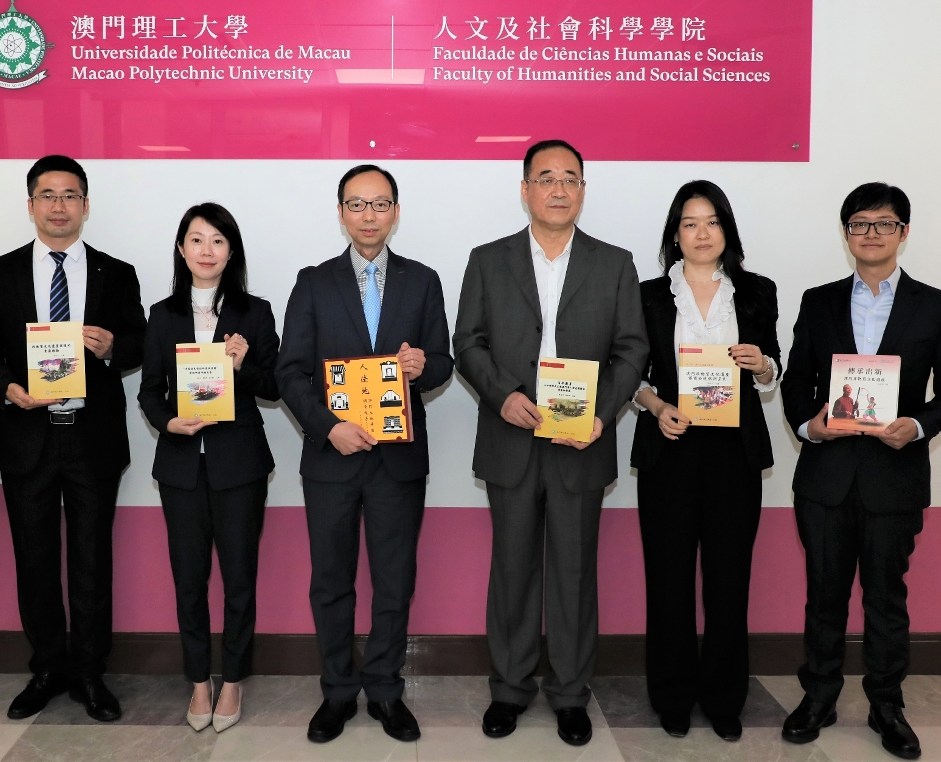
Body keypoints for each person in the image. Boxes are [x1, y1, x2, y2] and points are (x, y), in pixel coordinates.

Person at [452, 139, 648, 747]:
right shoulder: (488, 259)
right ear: (525, 190)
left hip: (580, 440)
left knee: (574, 572)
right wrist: (502, 395)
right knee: (511, 569)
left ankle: (569, 694)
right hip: (511, 434)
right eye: (546, 178)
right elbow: (468, 341)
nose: (558, 189)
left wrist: (603, 414)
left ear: (582, 190)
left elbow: (632, 349)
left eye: (570, 178)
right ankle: (509, 689)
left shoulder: (614, 263)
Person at [780, 183, 941, 760]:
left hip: (895, 477)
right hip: (826, 477)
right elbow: (796, 382)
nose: (871, 233)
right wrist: (811, 426)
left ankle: (887, 705)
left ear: (903, 233)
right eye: (859, 223)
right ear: (846, 234)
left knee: (886, 599)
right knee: (823, 595)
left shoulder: (936, 305)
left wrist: (917, 425)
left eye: (884, 223)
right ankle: (818, 696)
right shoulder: (818, 301)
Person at [275, 164, 453, 744]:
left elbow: (444, 363)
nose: (369, 215)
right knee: (331, 581)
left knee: (394, 582)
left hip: (397, 460)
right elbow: (289, 372)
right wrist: (329, 427)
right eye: (357, 204)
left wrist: (423, 366)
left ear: (396, 212)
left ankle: (384, 690)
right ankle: (336, 691)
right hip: (332, 458)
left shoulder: (422, 280)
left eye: (380, 204)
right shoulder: (313, 282)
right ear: (341, 212)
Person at [0, 155, 146, 722]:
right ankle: (47, 666)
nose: (59, 206)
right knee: (34, 559)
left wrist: (112, 348)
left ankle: (90, 671)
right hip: (28, 436)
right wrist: (8, 389)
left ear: (86, 205)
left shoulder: (117, 272)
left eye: (70, 195)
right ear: (31, 205)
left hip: (92, 437)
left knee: (92, 560)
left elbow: (141, 342)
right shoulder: (0, 272)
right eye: (48, 195)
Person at [630, 181, 782, 741]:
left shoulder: (758, 290)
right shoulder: (647, 294)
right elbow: (632, 375)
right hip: (670, 444)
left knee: (728, 579)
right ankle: (671, 694)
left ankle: (723, 697)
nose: (701, 233)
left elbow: (773, 370)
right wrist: (656, 407)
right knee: (668, 578)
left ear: (727, 230)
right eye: (690, 223)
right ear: (675, 233)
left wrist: (762, 364)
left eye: (712, 222)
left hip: (734, 452)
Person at [138, 203, 279, 733]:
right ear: (181, 249)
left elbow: (275, 385)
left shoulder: (255, 311)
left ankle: (234, 679)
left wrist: (242, 365)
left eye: (217, 240)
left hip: (238, 465)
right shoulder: (162, 314)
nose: (206, 250)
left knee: (240, 579)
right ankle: (199, 681)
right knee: (189, 580)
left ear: (231, 250)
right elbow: (149, 392)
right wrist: (168, 422)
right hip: (181, 469)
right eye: (196, 240)